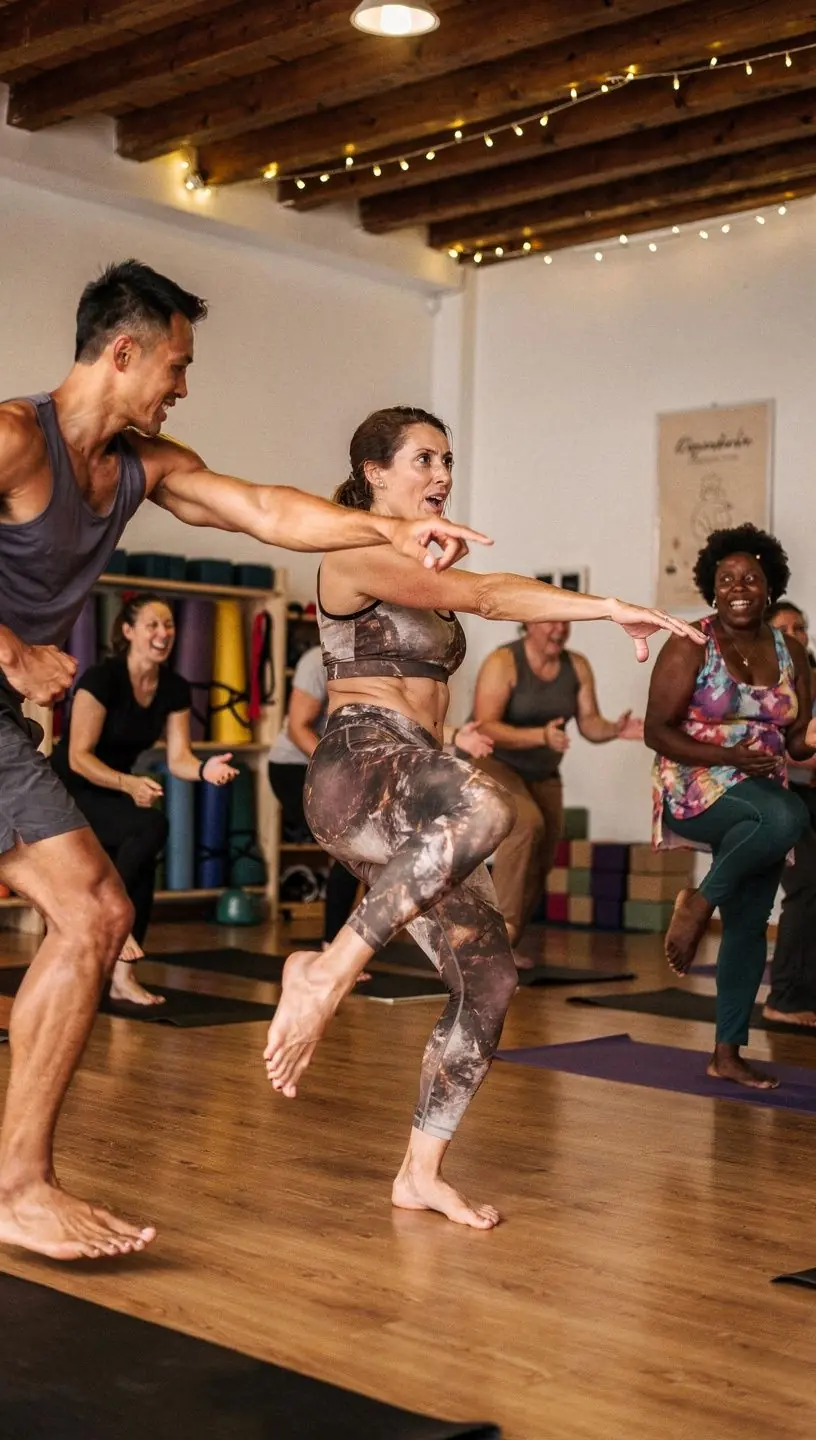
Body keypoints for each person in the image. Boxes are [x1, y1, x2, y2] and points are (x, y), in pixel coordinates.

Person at [0, 261, 487, 1263]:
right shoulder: (13, 436)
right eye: (175, 364)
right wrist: (9, 650)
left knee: (90, 912)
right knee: (94, 912)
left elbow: (264, 508)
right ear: (125, 351)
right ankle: (16, 1188)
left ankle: (16, 1186)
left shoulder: (143, 463)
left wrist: (393, 526)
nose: (182, 384)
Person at [262, 405, 703, 1229]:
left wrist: (447, 737)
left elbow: (432, 662)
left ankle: (419, 1172)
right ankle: (326, 970)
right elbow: (492, 596)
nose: (442, 476)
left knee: (490, 977)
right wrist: (609, 607)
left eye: (448, 461)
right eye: (423, 460)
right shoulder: (355, 550)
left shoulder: (412, 556)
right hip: (358, 764)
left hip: (407, 769)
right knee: (493, 803)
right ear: (373, 474)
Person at [645, 526, 814, 1090]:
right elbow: (656, 730)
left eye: (751, 579)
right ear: (711, 590)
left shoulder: (792, 651)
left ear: (770, 589)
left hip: (762, 791)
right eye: (726, 580)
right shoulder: (690, 643)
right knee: (791, 818)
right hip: (694, 785)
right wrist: (728, 754)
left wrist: (809, 742)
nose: (739, 587)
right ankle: (697, 904)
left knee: (748, 920)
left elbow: (793, 743)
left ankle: (727, 1052)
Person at [51, 592, 237, 1006]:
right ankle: (112, 914)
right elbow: (79, 756)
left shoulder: (173, 687)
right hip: (70, 790)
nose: (163, 633)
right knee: (151, 825)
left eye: (169, 625)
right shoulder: (102, 679)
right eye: (152, 624)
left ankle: (122, 977)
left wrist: (204, 770)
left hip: (115, 791)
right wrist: (128, 784)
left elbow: (179, 757)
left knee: (143, 864)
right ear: (128, 630)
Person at [472, 620, 643, 956]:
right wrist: (540, 736)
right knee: (526, 824)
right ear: (528, 624)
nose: (559, 630)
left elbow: (590, 722)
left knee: (545, 852)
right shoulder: (503, 661)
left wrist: (615, 729)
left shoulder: (576, 665)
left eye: (565, 623)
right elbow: (485, 725)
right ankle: (494, 945)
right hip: (494, 762)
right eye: (550, 622)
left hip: (543, 771)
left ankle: (508, 946)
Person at [763, 601, 816, 1025]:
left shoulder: (811, 675)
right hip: (774, 797)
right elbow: (765, 748)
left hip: (808, 795)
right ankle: (785, 997)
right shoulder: (760, 683)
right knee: (807, 883)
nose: (797, 635)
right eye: (786, 629)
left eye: (801, 627)